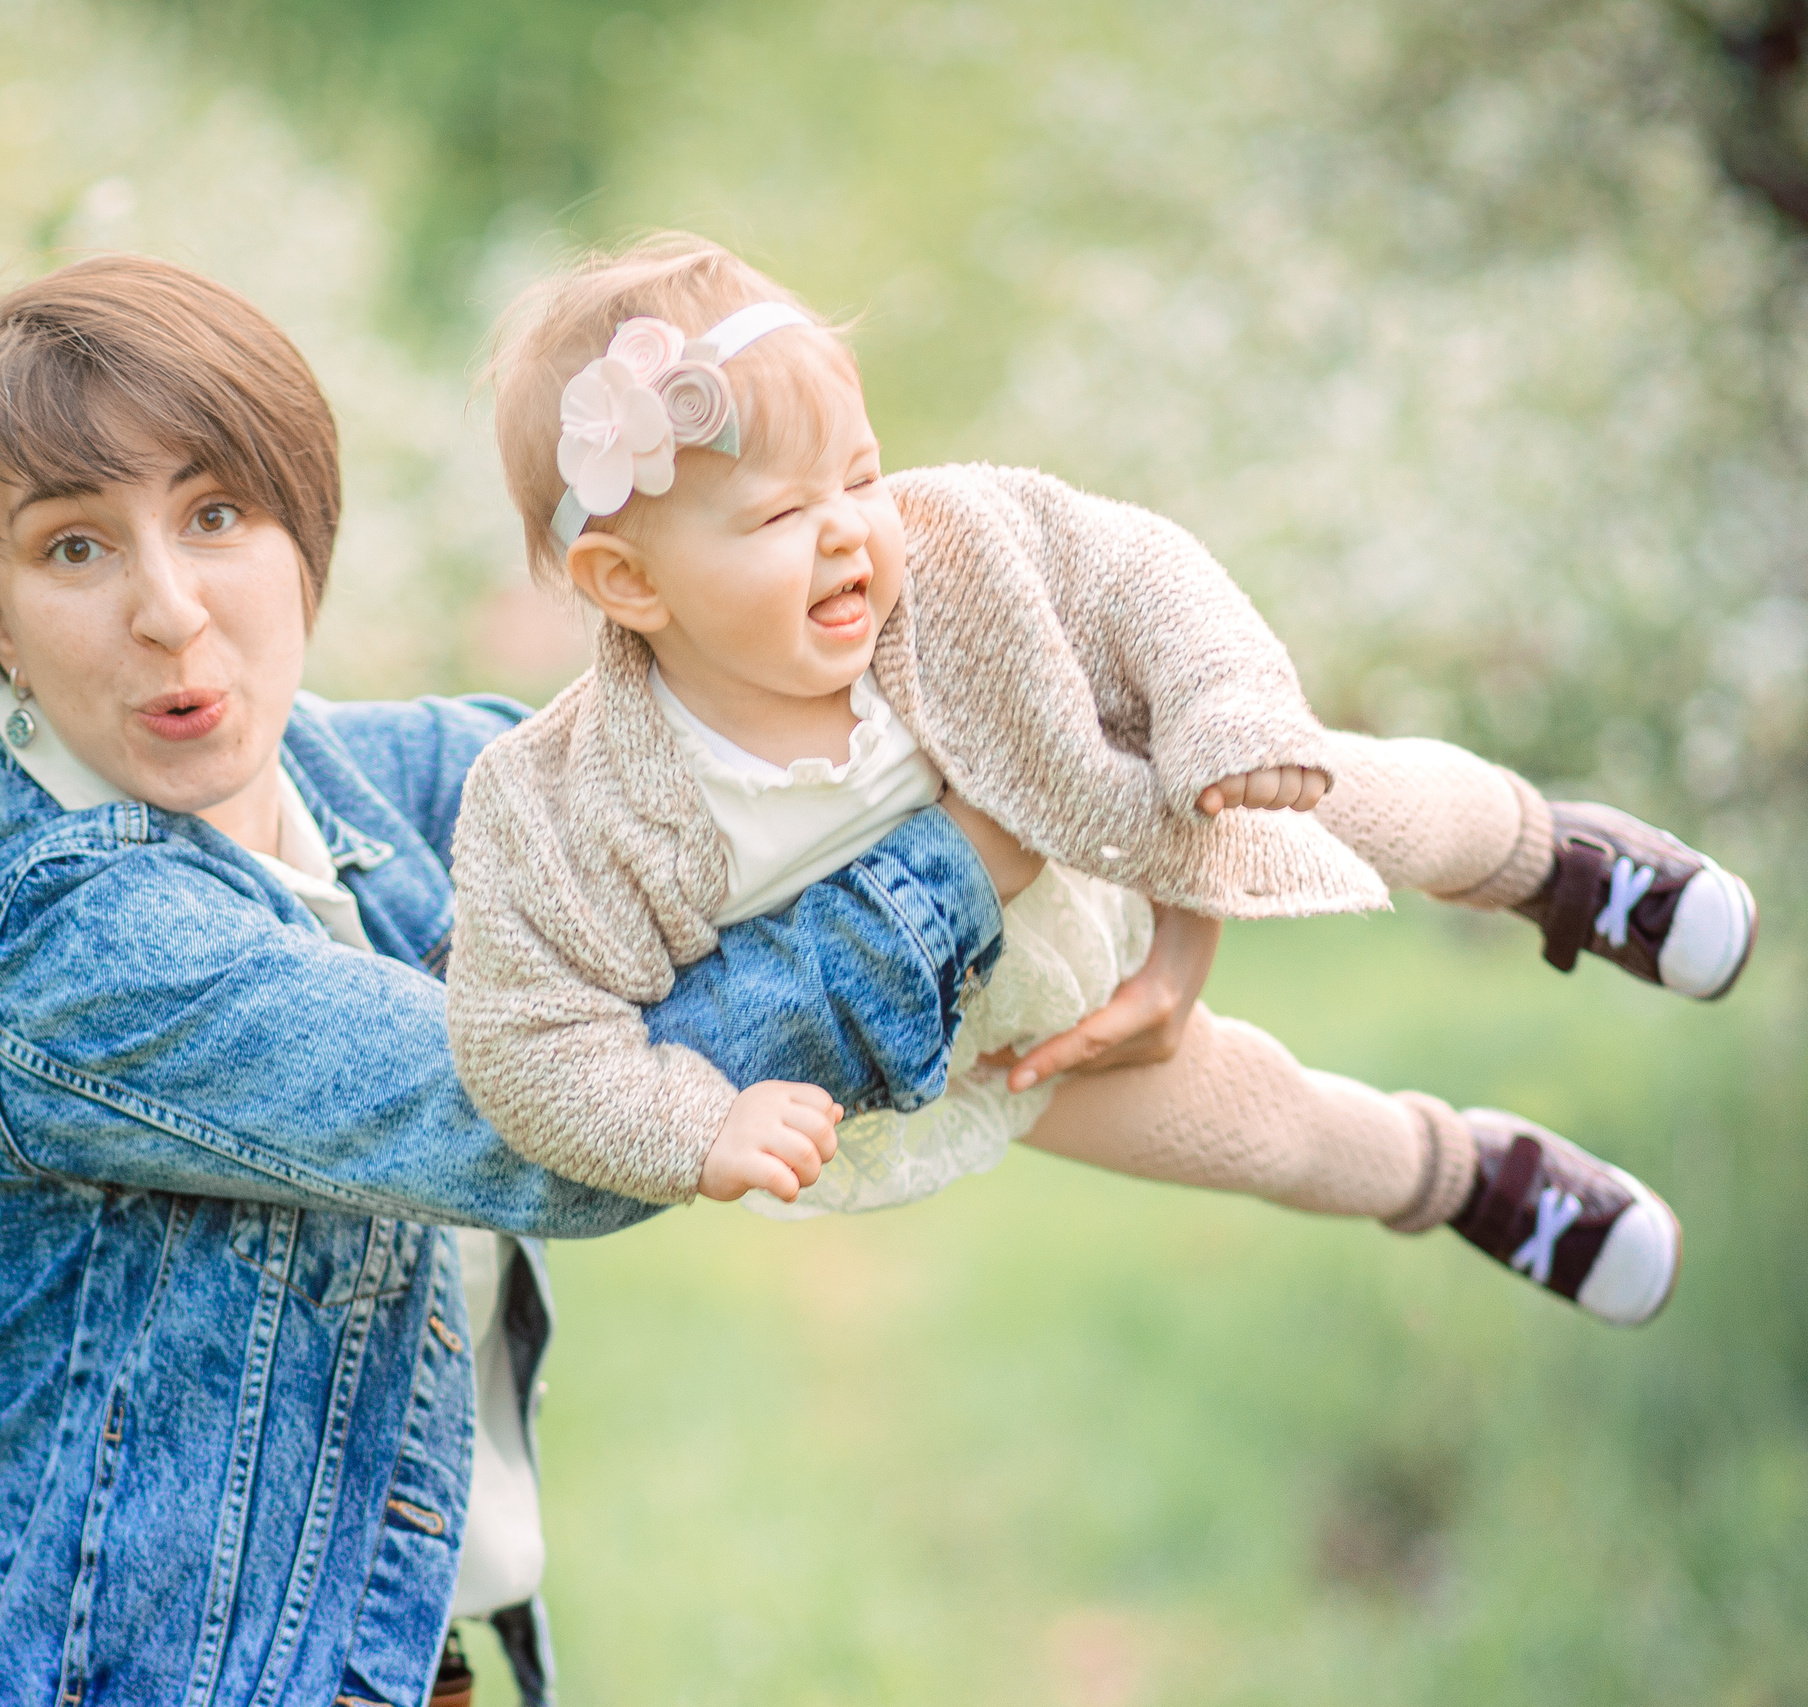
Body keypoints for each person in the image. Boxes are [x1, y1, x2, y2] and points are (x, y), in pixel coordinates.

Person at [0, 254, 1029, 1707]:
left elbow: (714, 815)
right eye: (73, 549)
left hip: (425, 1666)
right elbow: (539, 1129)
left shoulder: (362, 780)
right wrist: (974, 861)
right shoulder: (60, 936)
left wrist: (1106, 841)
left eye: (217, 515)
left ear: (301, 531)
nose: (170, 609)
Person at [448, 234, 1758, 1326]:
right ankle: (1464, 1174)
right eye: (786, 516)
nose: (854, 526)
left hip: (1136, 787)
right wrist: (693, 1125)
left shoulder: (954, 539)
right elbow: (524, 1036)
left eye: (859, 474)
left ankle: (1556, 863)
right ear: (629, 582)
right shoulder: (570, 806)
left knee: (1349, 795)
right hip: (1002, 1038)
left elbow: (1136, 571)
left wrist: (1220, 711)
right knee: (1262, 1131)